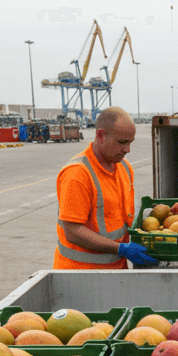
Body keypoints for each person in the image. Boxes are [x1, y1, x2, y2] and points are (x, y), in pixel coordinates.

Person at [53, 106, 157, 269]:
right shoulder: (78, 174)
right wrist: (121, 249)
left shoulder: (124, 168)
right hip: (80, 273)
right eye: (122, 142)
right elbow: (73, 232)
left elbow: (123, 217)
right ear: (101, 135)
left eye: (130, 143)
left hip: (116, 269)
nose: (127, 150)